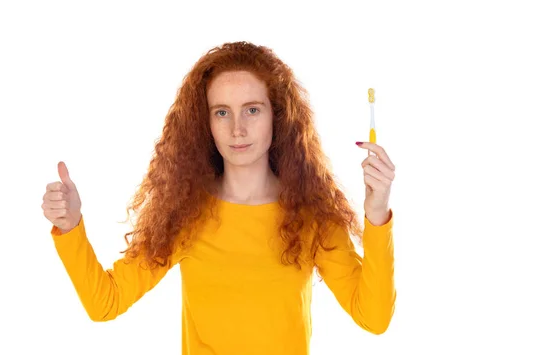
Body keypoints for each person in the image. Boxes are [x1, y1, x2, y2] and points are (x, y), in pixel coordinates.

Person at [42, 41, 396, 355]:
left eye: (252, 110)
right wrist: (70, 226)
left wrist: (377, 212)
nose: (237, 128)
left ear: (278, 117)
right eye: (222, 112)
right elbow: (106, 302)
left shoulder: (311, 217)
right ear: (206, 122)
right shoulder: (185, 214)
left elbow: (374, 318)